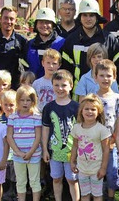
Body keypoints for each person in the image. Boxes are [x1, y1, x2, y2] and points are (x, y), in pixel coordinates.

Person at [61, 0, 119, 88]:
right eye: (84, 15)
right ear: (80, 17)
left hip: (104, 91)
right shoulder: (71, 40)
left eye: (91, 15)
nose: (88, 19)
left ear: (97, 17)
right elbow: (66, 70)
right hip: (79, 92)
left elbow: (118, 67)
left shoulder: (109, 39)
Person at [42, 70, 80, 201]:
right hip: (54, 152)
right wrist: (45, 150)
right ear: (52, 86)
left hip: (72, 152)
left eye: (64, 85)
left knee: (72, 180)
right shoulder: (49, 108)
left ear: (71, 86)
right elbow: (46, 129)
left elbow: (81, 131)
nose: (60, 88)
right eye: (56, 85)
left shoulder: (76, 107)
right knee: (56, 178)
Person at [70, 95, 111, 201]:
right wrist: (72, 162)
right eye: (86, 109)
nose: (89, 112)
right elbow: (75, 146)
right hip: (82, 168)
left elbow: (106, 150)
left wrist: (103, 168)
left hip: (96, 169)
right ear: (81, 111)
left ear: (98, 112)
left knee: (97, 195)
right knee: (84, 195)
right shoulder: (76, 128)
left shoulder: (101, 130)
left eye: (93, 109)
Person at [94, 59, 119, 201]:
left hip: (112, 143)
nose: (105, 79)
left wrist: (115, 139)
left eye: (109, 75)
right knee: (95, 172)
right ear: (95, 77)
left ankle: (111, 196)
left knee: (112, 173)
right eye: (102, 75)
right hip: (94, 143)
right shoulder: (92, 97)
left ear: (114, 77)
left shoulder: (118, 98)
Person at [6, 85, 43, 201]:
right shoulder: (12, 117)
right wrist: (18, 152)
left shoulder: (36, 117)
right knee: (20, 181)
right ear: (17, 101)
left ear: (33, 101)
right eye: (22, 100)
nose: (25, 103)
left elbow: (38, 137)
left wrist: (31, 152)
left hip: (34, 154)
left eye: (28, 100)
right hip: (18, 156)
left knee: (34, 181)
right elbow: (9, 136)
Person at [26, 8, 65, 79]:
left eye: (47, 22)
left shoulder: (62, 43)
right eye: (41, 22)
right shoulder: (29, 44)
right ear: (36, 25)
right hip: (34, 86)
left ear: (53, 25)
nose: (44, 25)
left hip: (55, 87)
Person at [0, 90, 18, 200]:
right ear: (1, 104)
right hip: (2, 152)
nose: (8, 107)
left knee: (15, 174)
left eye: (11, 105)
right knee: (5, 173)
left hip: (15, 152)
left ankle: (14, 191)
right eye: (5, 104)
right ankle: (4, 191)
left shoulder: (18, 119)